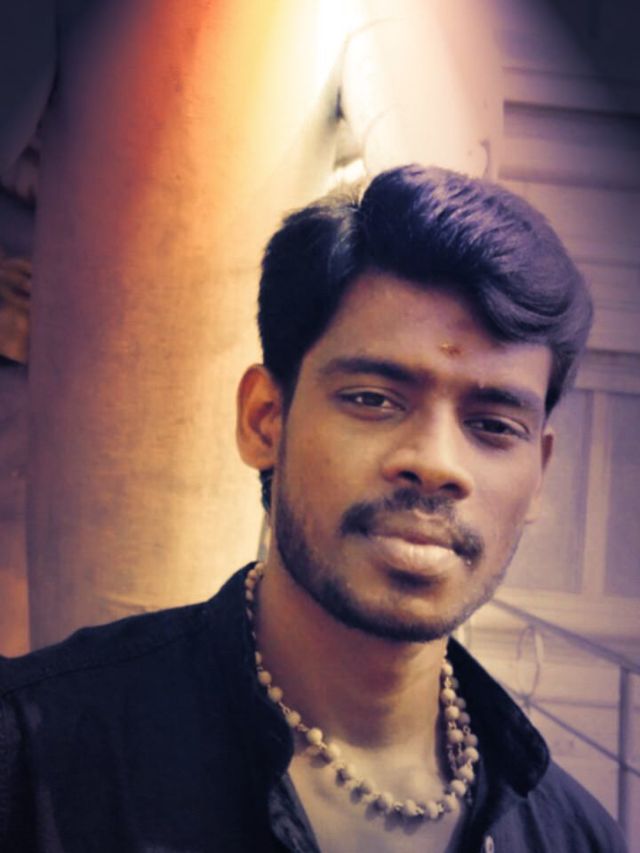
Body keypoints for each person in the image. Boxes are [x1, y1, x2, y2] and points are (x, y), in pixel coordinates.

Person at [0, 165, 627, 852]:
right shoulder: (36, 761)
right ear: (264, 420)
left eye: (493, 425)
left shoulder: (576, 837)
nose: (436, 463)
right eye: (373, 399)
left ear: (538, 477)